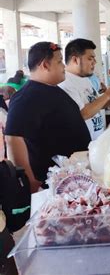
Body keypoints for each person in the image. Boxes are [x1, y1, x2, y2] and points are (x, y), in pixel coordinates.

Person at [5, 42, 91, 191]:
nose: (64, 66)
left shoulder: (52, 88)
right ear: (45, 65)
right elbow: (13, 139)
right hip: (52, 183)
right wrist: (28, 180)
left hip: (73, 178)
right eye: (59, 61)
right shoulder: (25, 98)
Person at [59, 39, 110, 140]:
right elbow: (82, 114)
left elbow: (98, 104)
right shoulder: (65, 82)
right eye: (90, 59)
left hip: (97, 141)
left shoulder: (85, 78)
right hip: (83, 146)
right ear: (75, 60)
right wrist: (108, 95)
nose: (95, 62)